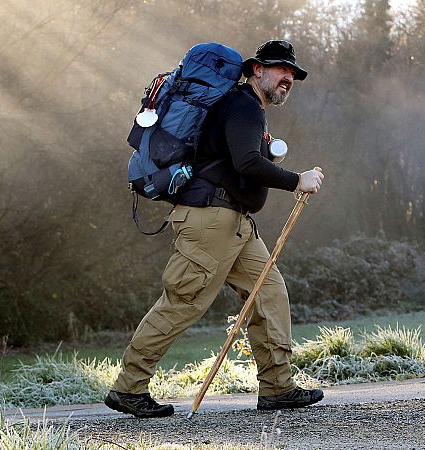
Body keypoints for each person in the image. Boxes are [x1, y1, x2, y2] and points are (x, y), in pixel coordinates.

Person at [105, 40, 325, 418]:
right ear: (257, 69)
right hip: (210, 220)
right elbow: (247, 163)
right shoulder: (242, 106)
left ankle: (277, 387)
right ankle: (129, 388)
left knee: (268, 292)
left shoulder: (245, 107)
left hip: (234, 223)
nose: (288, 78)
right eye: (280, 70)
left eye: (292, 74)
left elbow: (240, 161)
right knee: (183, 302)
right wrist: (296, 180)